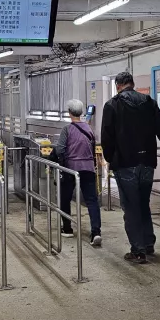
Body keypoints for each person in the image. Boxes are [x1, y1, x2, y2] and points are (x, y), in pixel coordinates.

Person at [101, 72, 160, 264]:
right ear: (132, 84)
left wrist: (110, 159)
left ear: (118, 85)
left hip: (125, 164)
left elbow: (107, 137)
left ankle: (138, 250)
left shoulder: (112, 105)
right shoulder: (148, 102)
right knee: (143, 203)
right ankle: (148, 243)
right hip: (147, 163)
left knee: (131, 207)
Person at [55, 99, 103, 246]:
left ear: (69, 112)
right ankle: (96, 232)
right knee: (92, 200)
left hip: (70, 169)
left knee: (65, 198)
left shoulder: (67, 129)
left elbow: (60, 150)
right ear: (81, 112)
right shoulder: (89, 129)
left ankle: (68, 228)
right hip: (88, 168)